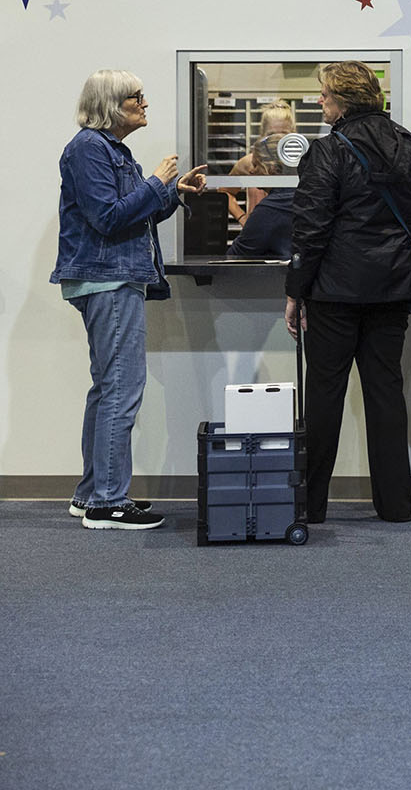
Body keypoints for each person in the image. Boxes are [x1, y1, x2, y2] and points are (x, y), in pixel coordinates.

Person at [51, 70, 206, 530]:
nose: (144, 103)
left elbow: (134, 213)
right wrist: (158, 182)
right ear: (110, 105)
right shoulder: (88, 149)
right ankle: (106, 502)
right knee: (120, 389)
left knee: (107, 389)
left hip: (113, 279)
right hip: (108, 280)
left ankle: (92, 493)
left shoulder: (109, 150)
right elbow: (108, 218)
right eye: (134, 97)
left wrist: (172, 193)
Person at [284, 61, 411, 525]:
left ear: (344, 99)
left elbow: (310, 231)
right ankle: (396, 506)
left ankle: (311, 506)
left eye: (324, 94)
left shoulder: (327, 151)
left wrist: (295, 293)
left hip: (334, 292)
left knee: (324, 396)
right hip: (392, 289)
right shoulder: (409, 145)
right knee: (386, 393)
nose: (319, 101)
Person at [226, 101, 296, 224]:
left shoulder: (302, 163)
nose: (277, 139)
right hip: (257, 232)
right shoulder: (251, 163)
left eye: (283, 134)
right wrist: (242, 218)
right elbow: (226, 192)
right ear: (262, 134)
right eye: (271, 134)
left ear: (293, 134)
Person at [226, 135, 295, 259]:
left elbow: (235, 256)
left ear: (271, 169)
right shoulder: (309, 195)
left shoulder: (269, 210)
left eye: (256, 165)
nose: (251, 171)